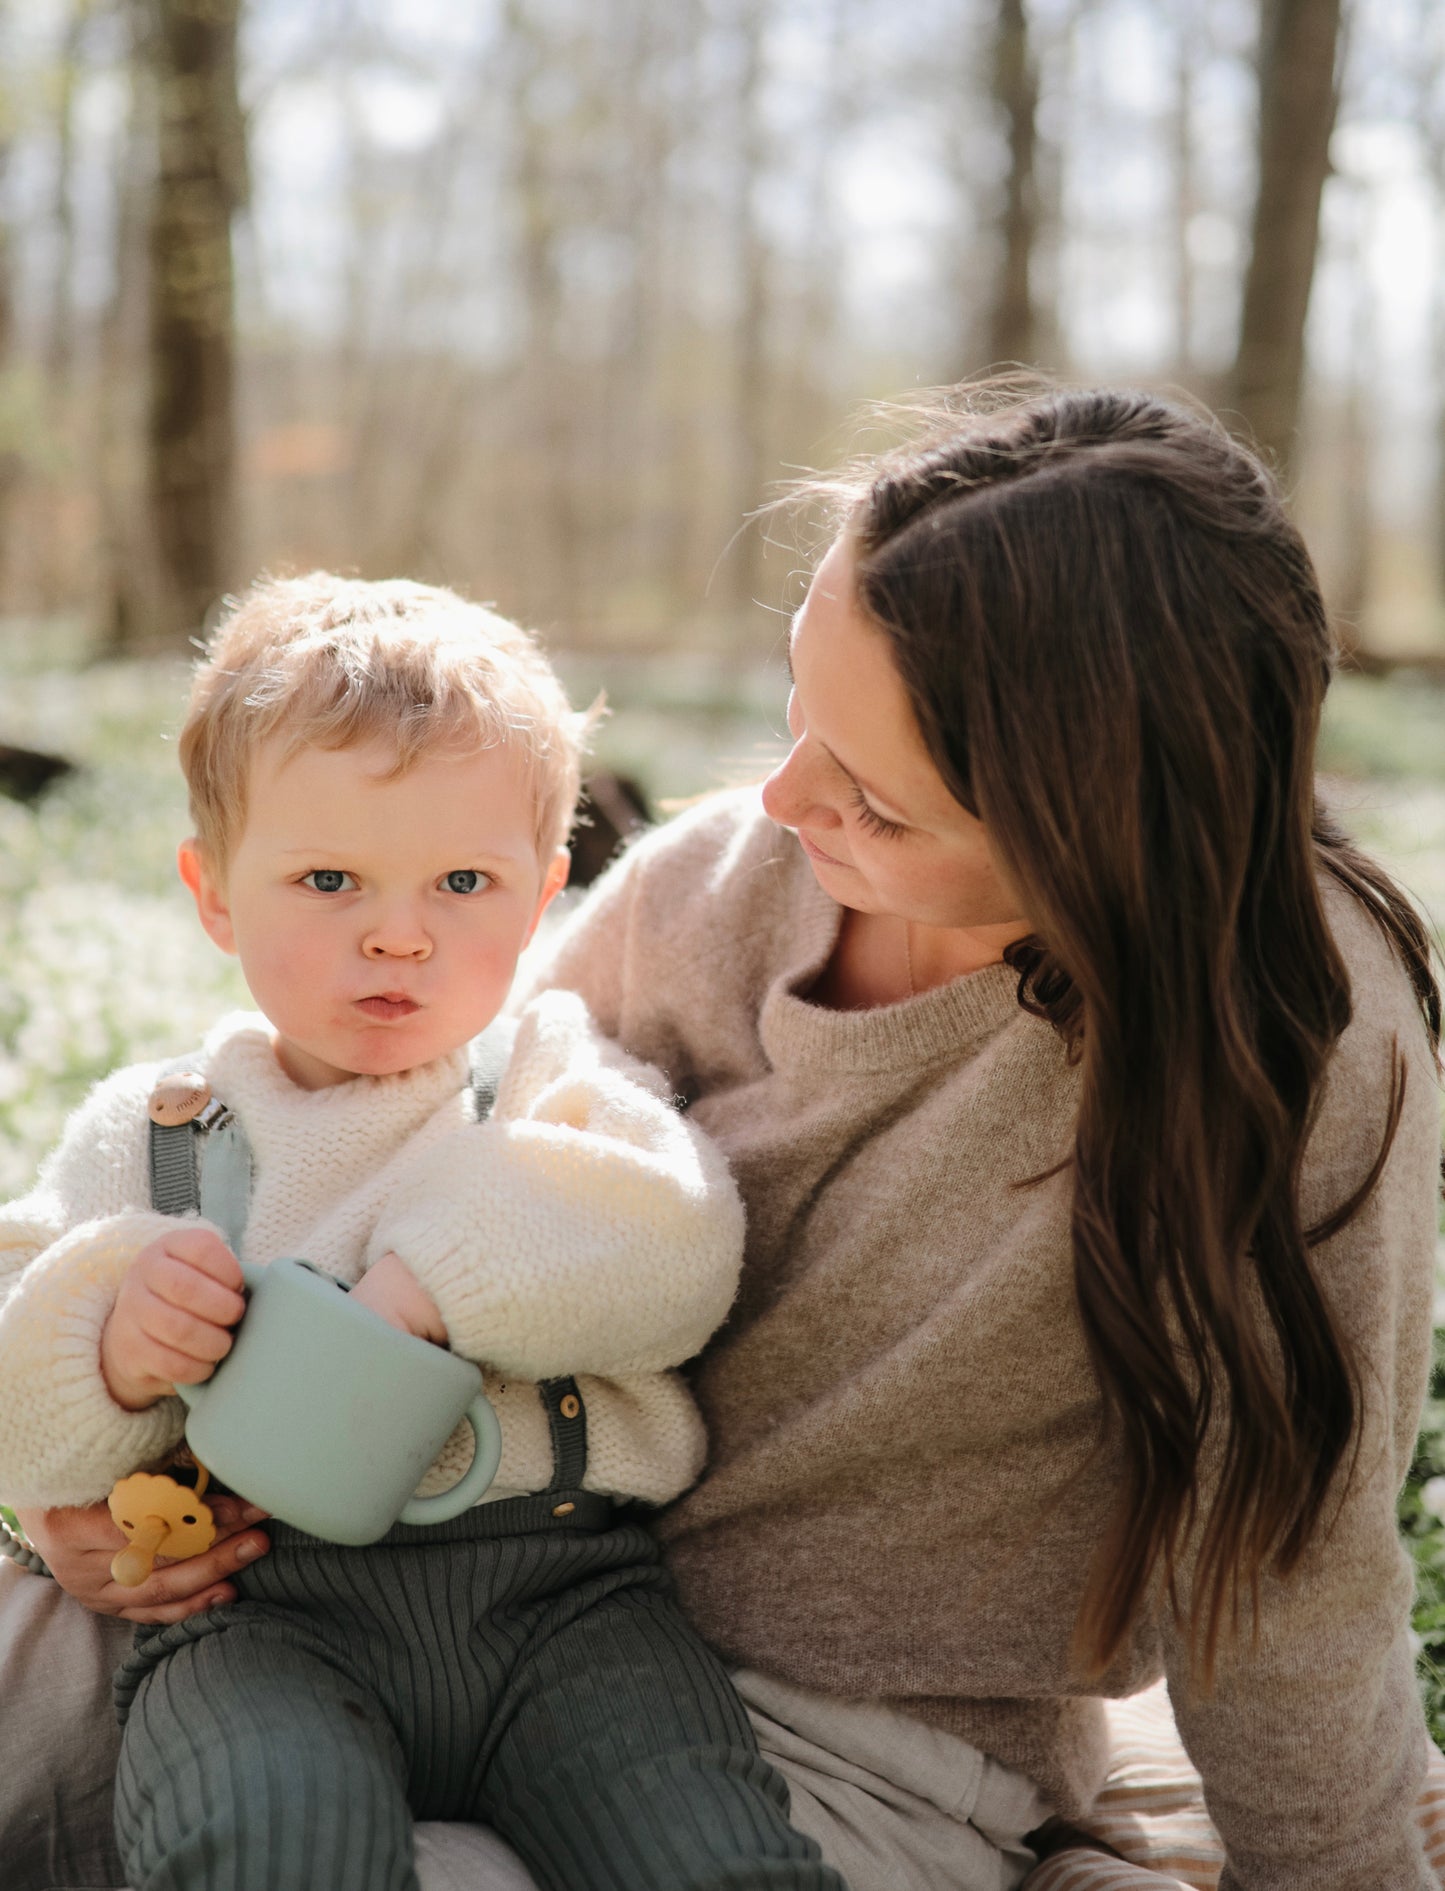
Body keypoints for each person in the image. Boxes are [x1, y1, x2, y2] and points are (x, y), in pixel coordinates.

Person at [3, 384, 1442, 1891]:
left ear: (1099, 826)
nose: (779, 797)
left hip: (823, 1728)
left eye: (876, 800)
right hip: (345, 1581)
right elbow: (423, 1142)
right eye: (798, 714)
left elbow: (1283, 1554)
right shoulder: (729, 879)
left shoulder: (1292, 1036)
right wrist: (82, 1497)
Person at [0, 573, 846, 1891]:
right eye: (328, 879)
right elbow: (18, 1400)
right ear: (214, 892)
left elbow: (676, 1249)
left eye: (462, 881)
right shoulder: (161, 1130)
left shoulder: (554, 1078)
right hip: (259, 1622)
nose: (398, 935)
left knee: (711, 1856)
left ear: (545, 893)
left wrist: (424, 1289)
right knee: (264, 1842)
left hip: (569, 1610)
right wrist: (108, 1335)